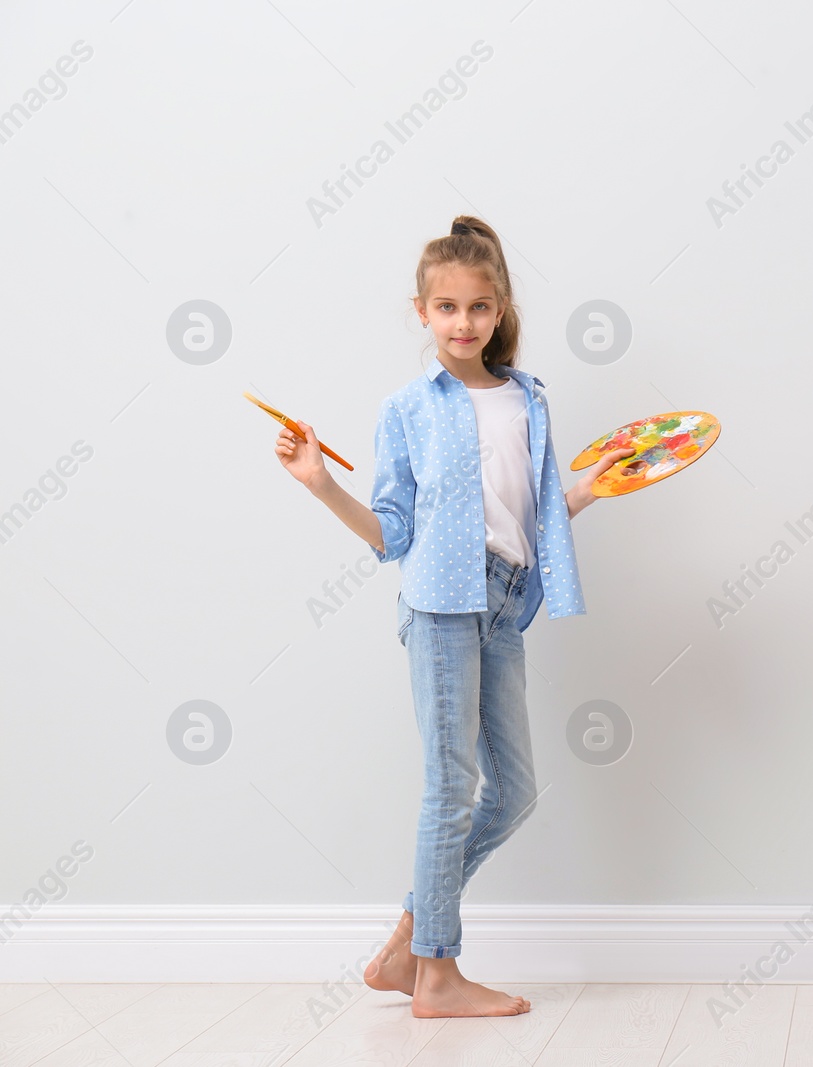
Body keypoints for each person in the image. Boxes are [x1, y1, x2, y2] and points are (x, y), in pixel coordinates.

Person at [275, 215, 634, 1018]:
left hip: (505, 604)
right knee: (451, 787)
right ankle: (437, 975)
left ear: (500, 308)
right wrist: (319, 483)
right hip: (440, 607)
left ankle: (412, 937)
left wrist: (593, 487)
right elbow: (391, 533)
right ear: (421, 311)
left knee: (514, 792)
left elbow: (533, 515)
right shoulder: (408, 407)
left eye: (477, 306)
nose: (462, 322)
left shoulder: (529, 399)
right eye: (446, 307)